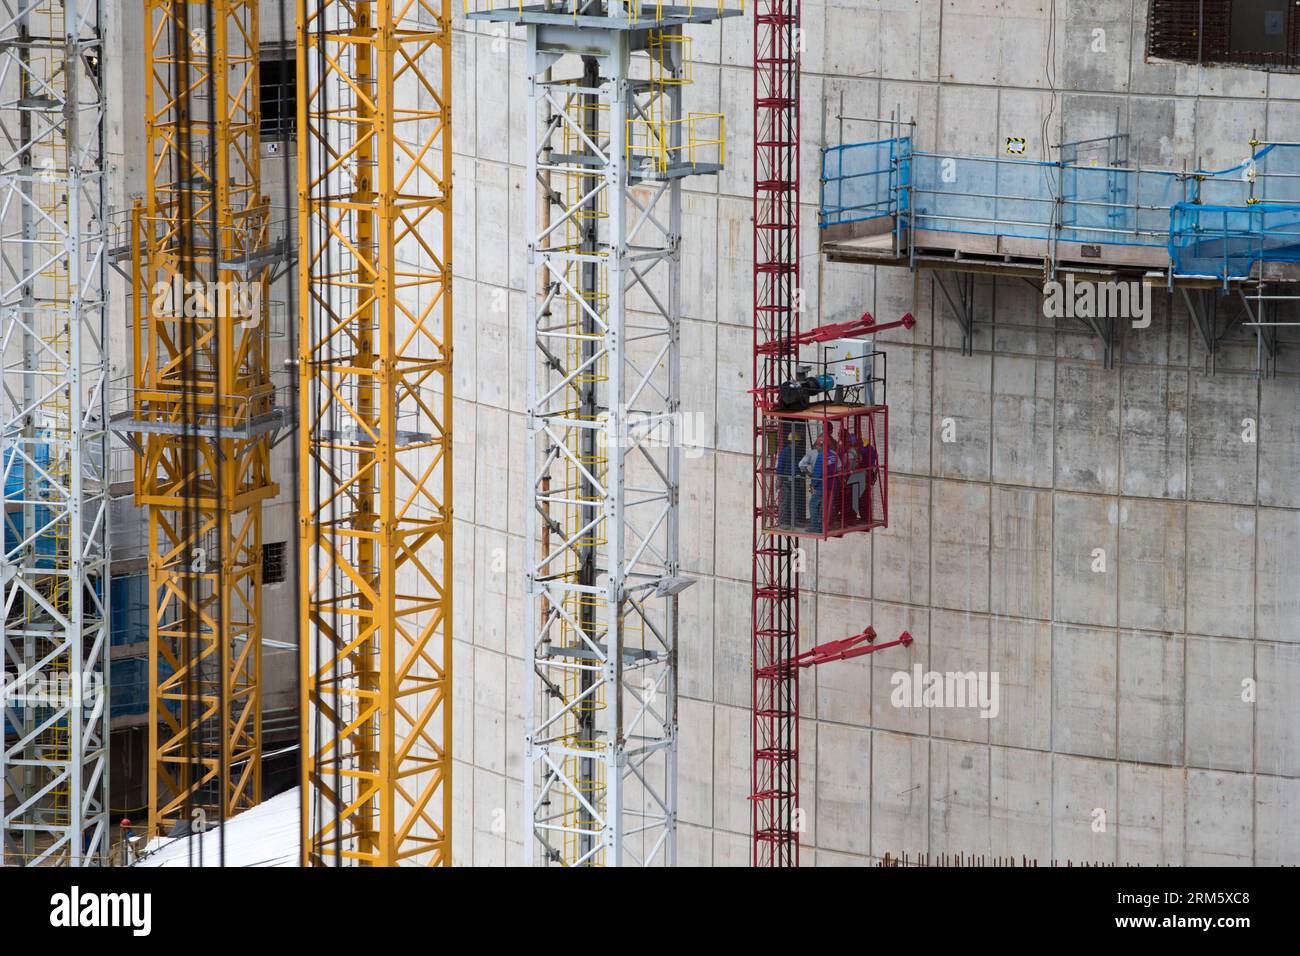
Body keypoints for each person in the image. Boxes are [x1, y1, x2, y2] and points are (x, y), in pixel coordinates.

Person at [806, 428, 839, 534]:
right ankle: (825, 526)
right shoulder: (834, 455)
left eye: (818, 446)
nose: (817, 448)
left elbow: (817, 473)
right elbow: (838, 469)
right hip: (832, 485)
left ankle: (815, 526)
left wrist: (813, 485)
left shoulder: (821, 457)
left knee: (813, 504)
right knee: (826, 506)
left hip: (821, 487)